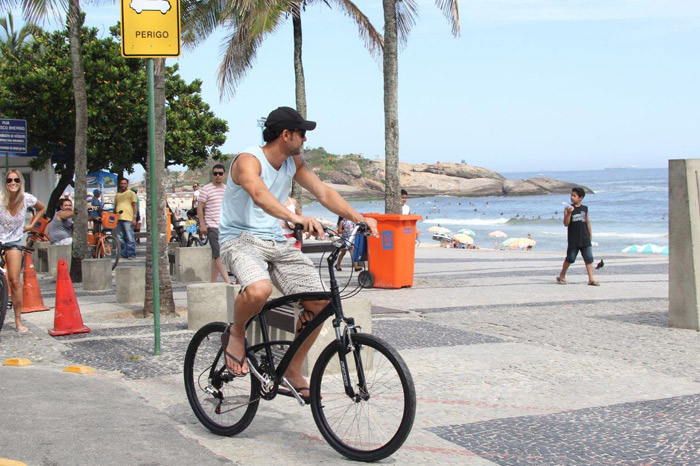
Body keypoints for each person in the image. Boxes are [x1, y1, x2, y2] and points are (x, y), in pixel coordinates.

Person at [218, 106, 378, 401]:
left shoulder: (293, 162)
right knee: (258, 290)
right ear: (286, 134)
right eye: (302, 133)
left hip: (275, 241)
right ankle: (237, 333)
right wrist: (296, 218)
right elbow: (259, 195)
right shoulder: (247, 160)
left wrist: (359, 218)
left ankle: (291, 369)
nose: (305, 139)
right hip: (239, 240)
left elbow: (323, 193)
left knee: (320, 303)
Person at [0, 170, 46, 333]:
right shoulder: (0, 198)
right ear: (5, 183)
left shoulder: (26, 198)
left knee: (14, 280)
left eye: (16, 180)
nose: (13, 182)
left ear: (21, 182)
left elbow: (42, 208)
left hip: (14, 242)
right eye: (9, 180)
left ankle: (18, 321)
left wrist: (32, 225)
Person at [557, 187, 599, 286]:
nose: (572, 197)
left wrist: (590, 234)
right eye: (571, 195)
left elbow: (587, 222)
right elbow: (566, 223)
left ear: (580, 197)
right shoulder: (567, 208)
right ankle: (562, 276)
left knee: (588, 258)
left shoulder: (585, 208)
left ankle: (591, 279)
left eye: (574, 196)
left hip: (584, 237)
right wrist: (569, 212)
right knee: (570, 258)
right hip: (573, 238)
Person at [197, 164, 231, 284]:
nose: (217, 176)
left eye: (220, 173)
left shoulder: (227, 189)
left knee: (216, 256)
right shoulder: (206, 189)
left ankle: (213, 283)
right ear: (212, 174)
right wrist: (202, 224)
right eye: (215, 173)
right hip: (212, 226)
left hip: (225, 227)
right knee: (218, 254)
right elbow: (200, 207)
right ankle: (227, 281)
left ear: (224, 175)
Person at [114, 177, 137, 260]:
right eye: (121, 183)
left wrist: (134, 218)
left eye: (124, 183)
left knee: (130, 237)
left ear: (127, 184)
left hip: (128, 218)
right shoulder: (117, 195)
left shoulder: (131, 193)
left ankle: (131, 254)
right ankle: (123, 253)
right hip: (119, 219)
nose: (123, 185)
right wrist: (114, 217)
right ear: (119, 184)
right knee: (120, 238)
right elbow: (115, 206)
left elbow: (134, 205)